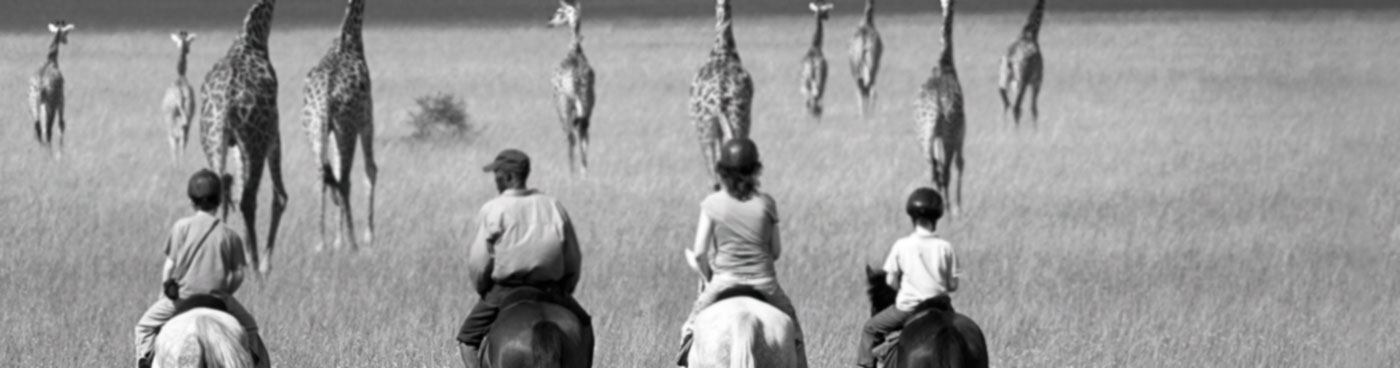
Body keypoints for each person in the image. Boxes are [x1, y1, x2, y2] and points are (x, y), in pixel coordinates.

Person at [457, 148, 593, 368]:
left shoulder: (495, 208)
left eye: (498, 175)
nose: (496, 180)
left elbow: (478, 263)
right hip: (552, 289)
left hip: (505, 290)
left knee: (467, 340)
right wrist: (565, 288)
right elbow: (573, 259)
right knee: (584, 327)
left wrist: (484, 290)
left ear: (509, 177)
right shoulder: (553, 205)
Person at [677, 138, 805, 367]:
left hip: (723, 283)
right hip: (765, 284)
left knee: (688, 330)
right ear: (755, 170)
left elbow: (698, 253)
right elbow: (775, 251)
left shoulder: (712, 203)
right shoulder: (766, 203)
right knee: (795, 332)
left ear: (723, 172)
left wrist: (708, 275)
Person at [133, 169, 268, 368]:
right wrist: (226, 291)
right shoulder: (229, 234)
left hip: (182, 298)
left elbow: (169, 267)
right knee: (251, 330)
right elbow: (239, 274)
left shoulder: (181, 227)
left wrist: (165, 291)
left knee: (143, 327)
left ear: (191, 201)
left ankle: (145, 361)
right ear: (220, 201)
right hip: (218, 298)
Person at [855, 187, 961, 368]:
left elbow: (890, 281)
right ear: (936, 218)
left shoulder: (902, 245)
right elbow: (953, 285)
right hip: (943, 307)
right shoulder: (945, 247)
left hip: (909, 308)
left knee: (870, 329)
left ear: (912, 218)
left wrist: (901, 287)